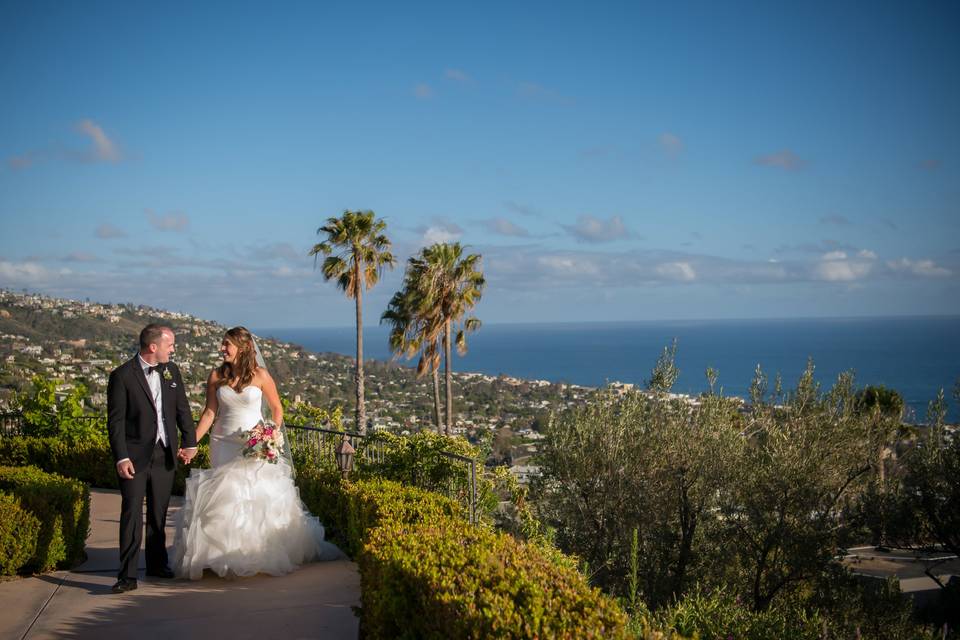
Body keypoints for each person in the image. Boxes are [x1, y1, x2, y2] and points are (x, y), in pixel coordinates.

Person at [171, 326, 341, 579]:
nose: (222, 348)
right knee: (224, 496)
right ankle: (221, 554)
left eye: (226, 344)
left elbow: (276, 408)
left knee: (253, 495)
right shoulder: (216, 375)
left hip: (254, 444)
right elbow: (209, 413)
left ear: (243, 348)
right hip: (222, 442)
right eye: (222, 344)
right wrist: (191, 443)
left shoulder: (261, 375)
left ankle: (250, 553)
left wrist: (270, 432)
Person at [107, 324, 198, 594]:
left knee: (158, 514)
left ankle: (157, 564)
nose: (173, 349)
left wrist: (190, 442)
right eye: (170, 345)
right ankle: (127, 575)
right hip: (134, 457)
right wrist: (121, 457)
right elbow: (116, 422)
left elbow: (182, 408)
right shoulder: (122, 376)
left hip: (165, 453)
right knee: (132, 513)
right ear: (153, 347)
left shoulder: (172, 371)